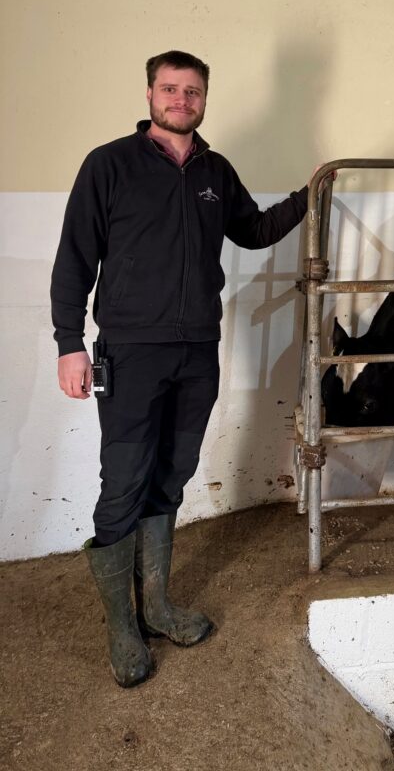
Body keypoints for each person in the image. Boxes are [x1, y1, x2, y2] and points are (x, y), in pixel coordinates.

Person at [51, 50, 311, 688]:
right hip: (130, 351)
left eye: (192, 91)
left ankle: (158, 607)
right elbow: (75, 257)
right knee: (124, 481)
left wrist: (311, 196)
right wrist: (69, 342)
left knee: (172, 474)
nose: (181, 100)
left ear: (203, 99)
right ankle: (122, 628)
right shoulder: (109, 164)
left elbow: (252, 230)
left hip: (197, 349)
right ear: (149, 94)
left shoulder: (215, 171)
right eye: (170, 89)